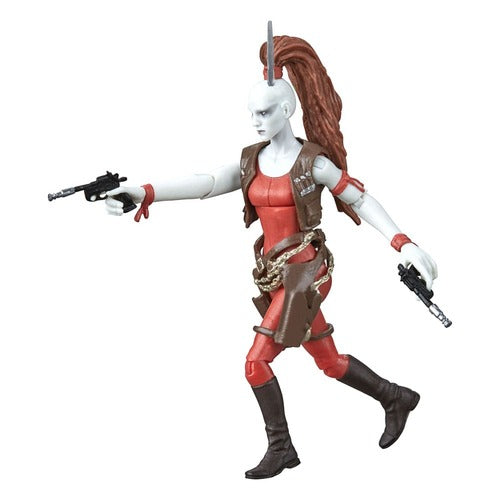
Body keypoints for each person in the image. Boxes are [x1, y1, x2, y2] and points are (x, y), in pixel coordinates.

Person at [105, 35, 438, 479]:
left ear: (287, 109)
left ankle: (281, 448)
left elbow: (359, 198)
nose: (256, 121)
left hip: (306, 273)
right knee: (329, 361)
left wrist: (404, 243)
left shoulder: (313, 163)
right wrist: (144, 191)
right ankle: (395, 397)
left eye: (264, 112)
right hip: (274, 273)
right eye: (251, 113)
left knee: (255, 362)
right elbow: (206, 182)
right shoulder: (251, 162)